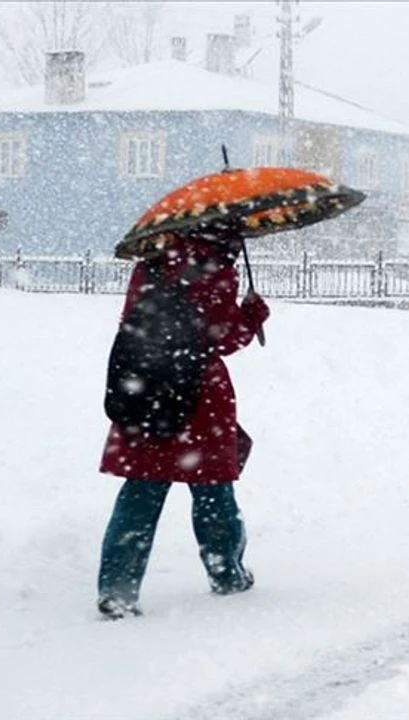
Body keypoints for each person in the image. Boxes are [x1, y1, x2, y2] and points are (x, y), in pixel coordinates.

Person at [96, 232, 269, 620]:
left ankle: (117, 589)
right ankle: (227, 573)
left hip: (148, 385)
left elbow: (133, 319)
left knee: (141, 490)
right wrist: (252, 315)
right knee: (213, 490)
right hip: (197, 394)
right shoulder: (216, 268)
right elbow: (221, 337)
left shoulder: (152, 260)